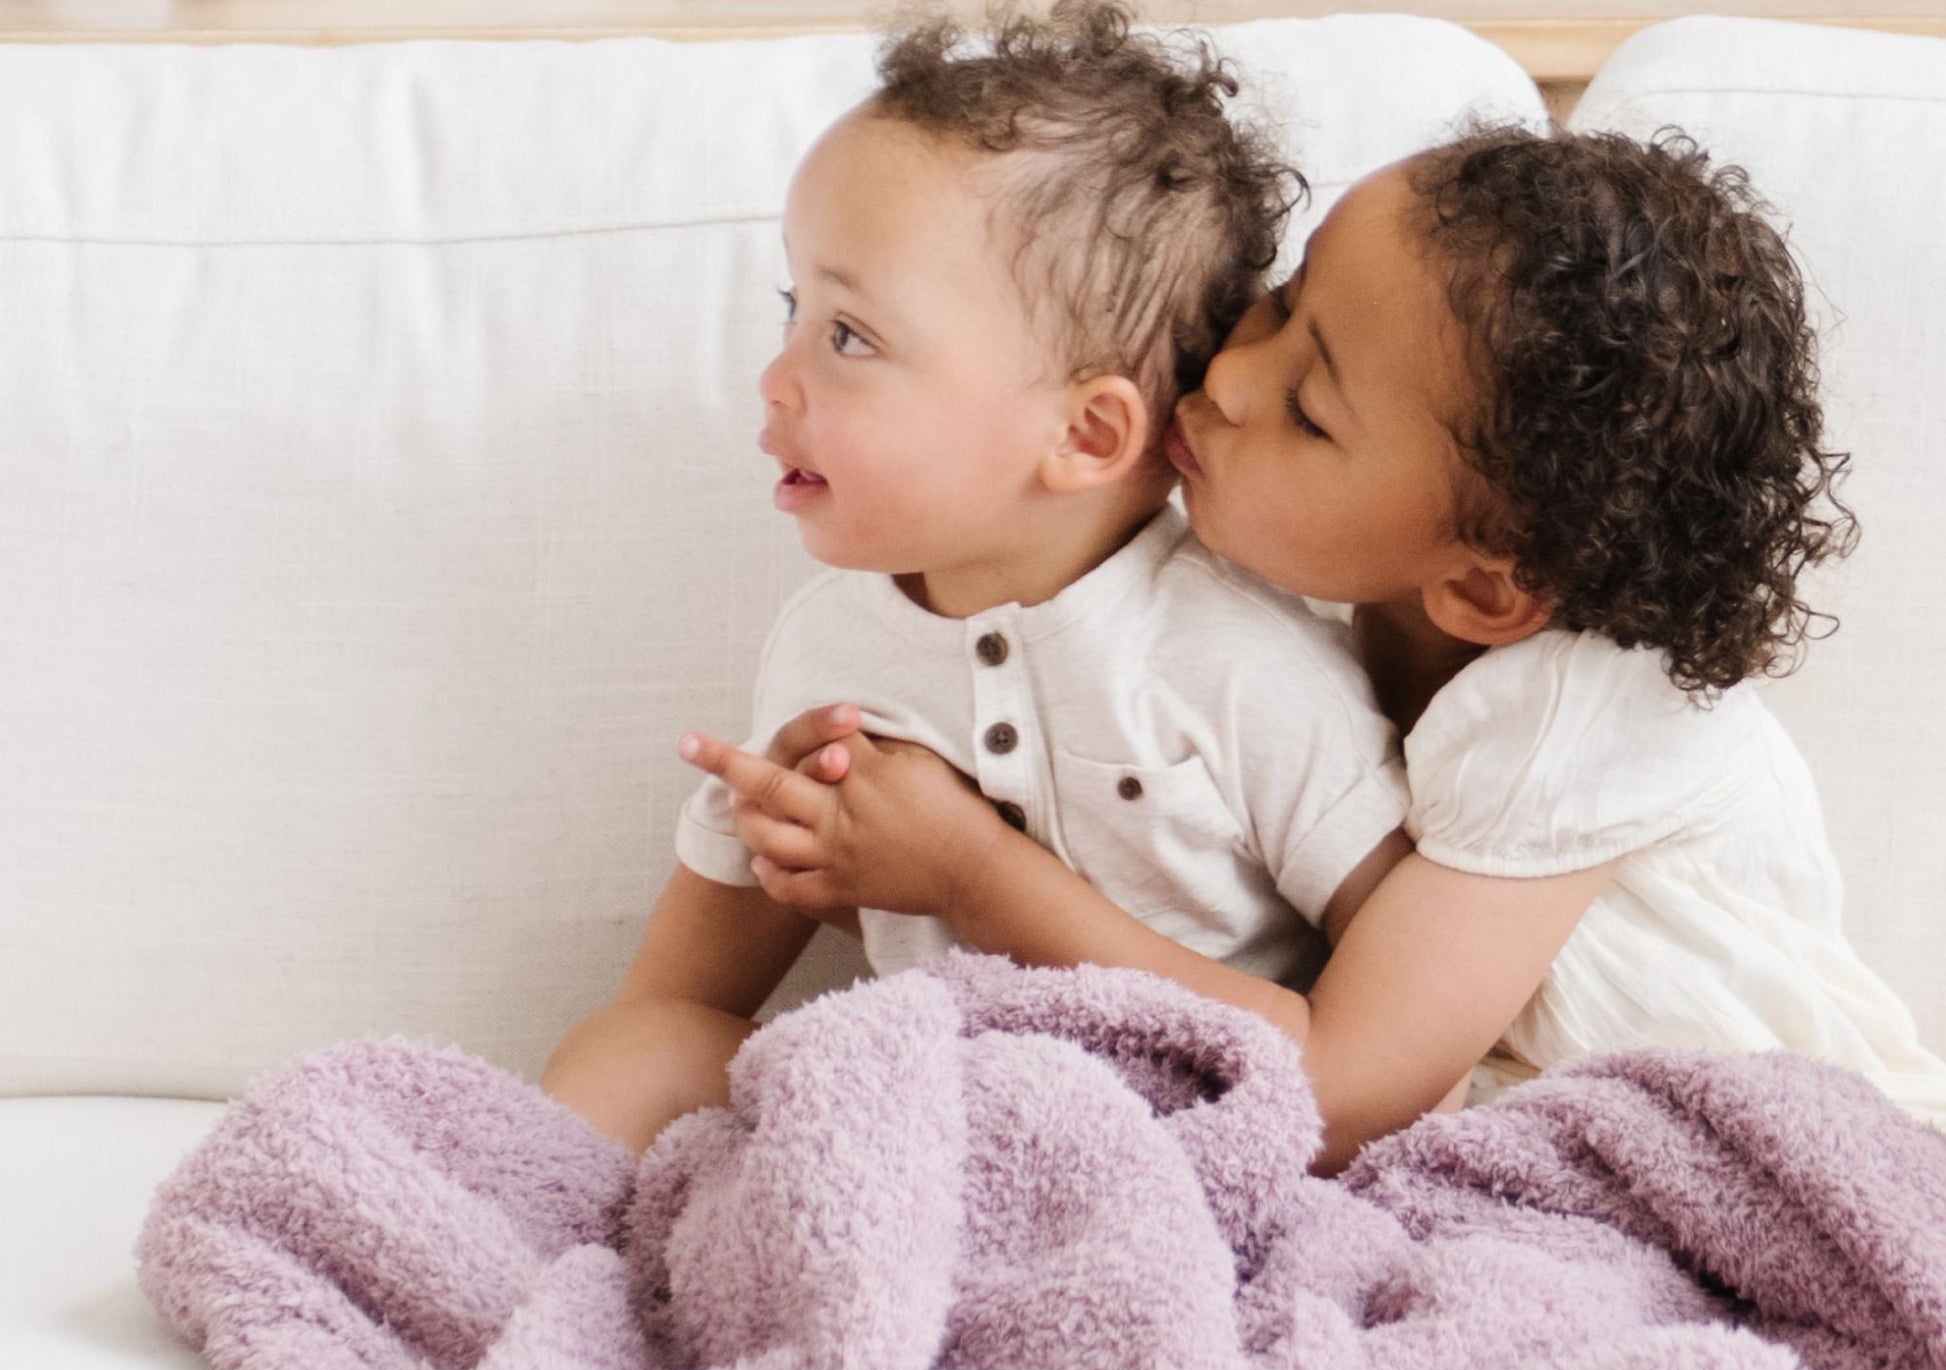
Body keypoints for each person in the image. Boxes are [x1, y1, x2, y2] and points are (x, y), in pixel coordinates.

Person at [687, 122, 1946, 1167]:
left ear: (1483, 587)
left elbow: (1340, 1085)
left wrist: (972, 873)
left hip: (1728, 1148)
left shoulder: (1579, 717)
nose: (1229, 379)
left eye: (1308, 409)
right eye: (1283, 303)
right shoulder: (1290, 618)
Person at [543, 2, 1421, 1156]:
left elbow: (1387, 1045)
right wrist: (773, 838)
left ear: (1084, 435)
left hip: (1176, 1151)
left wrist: (967, 870)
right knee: (629, 1051)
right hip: (918, 1127)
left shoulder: (1243, 662)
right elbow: (682, 993)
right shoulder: (828, 643)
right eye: (795, 311)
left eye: (848, 336)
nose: (775, 377)